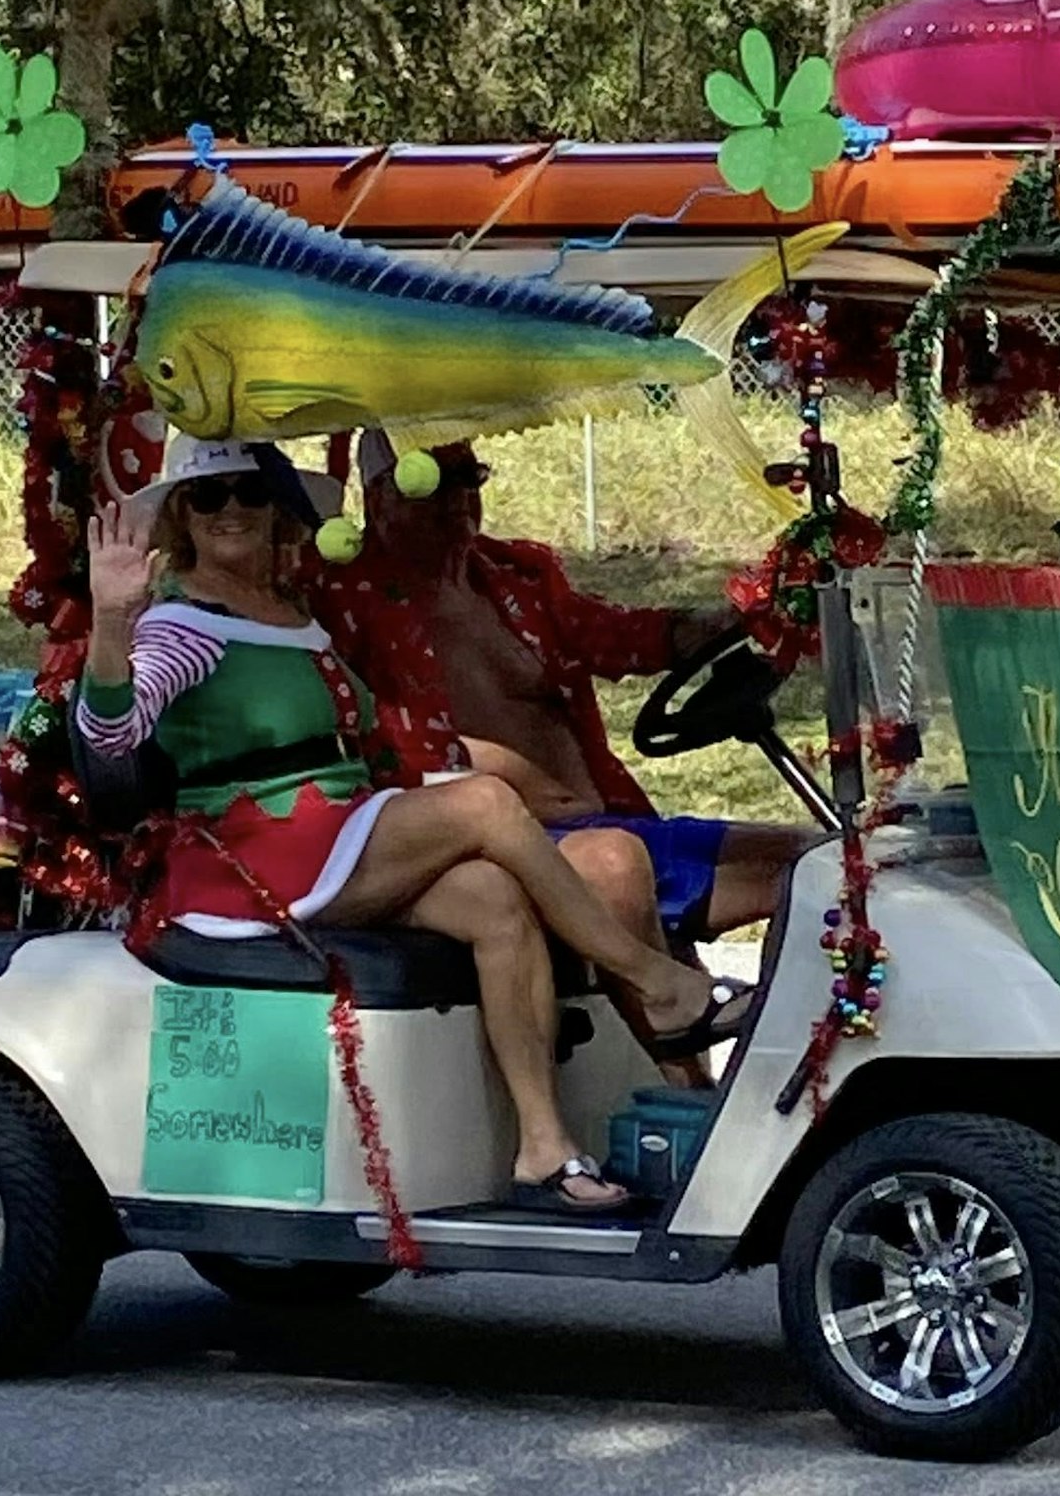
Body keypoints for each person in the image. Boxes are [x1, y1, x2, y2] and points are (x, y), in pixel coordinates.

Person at [76, 435, 750, 1213]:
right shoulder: (181, 627)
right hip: (259, 850)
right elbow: (111, 733)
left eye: (250, 492)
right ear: (181, 518)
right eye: (208, 496)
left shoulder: (290, 613)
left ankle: (542, 1145)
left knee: (493, 898)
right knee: (486, 804)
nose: (232, 510)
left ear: (277, 509)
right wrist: (112, 622)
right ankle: (659, 984)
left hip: (334, 828)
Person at [318, 432, 817, 977]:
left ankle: (794, 1026)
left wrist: (743, 616)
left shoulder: (518, 574)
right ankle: (684, 1027)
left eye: (469, 477)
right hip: (507, 846)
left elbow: (615, 635)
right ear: (377, 498)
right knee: (621, 865)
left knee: (817, 858)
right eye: (432, 483)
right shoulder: (343, 599)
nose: (458, 498)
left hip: (608, 818)